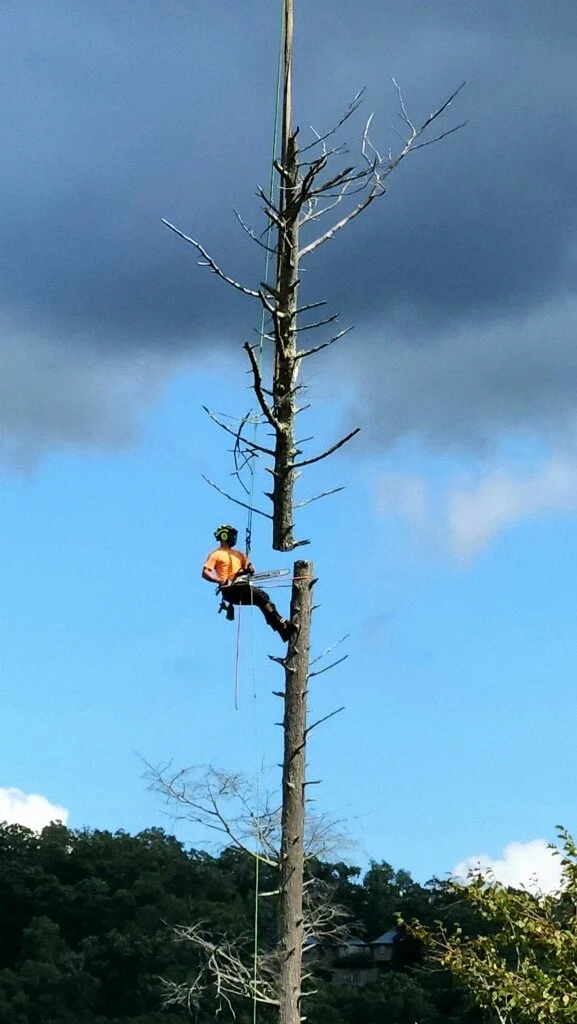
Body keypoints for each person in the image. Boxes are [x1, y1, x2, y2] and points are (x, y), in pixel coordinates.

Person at [202, 525, 292, 643]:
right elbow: (205, 573)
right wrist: (220, 580)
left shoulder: (239, 554)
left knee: (262, 599)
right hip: (229, 590)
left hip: (242, 585)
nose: (234, 538)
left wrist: (250, 568)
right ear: (224, 536)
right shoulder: (216, 554)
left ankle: (282, 629)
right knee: (262, 597)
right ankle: (281, 625)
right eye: (232, 535)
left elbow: (250, 567)